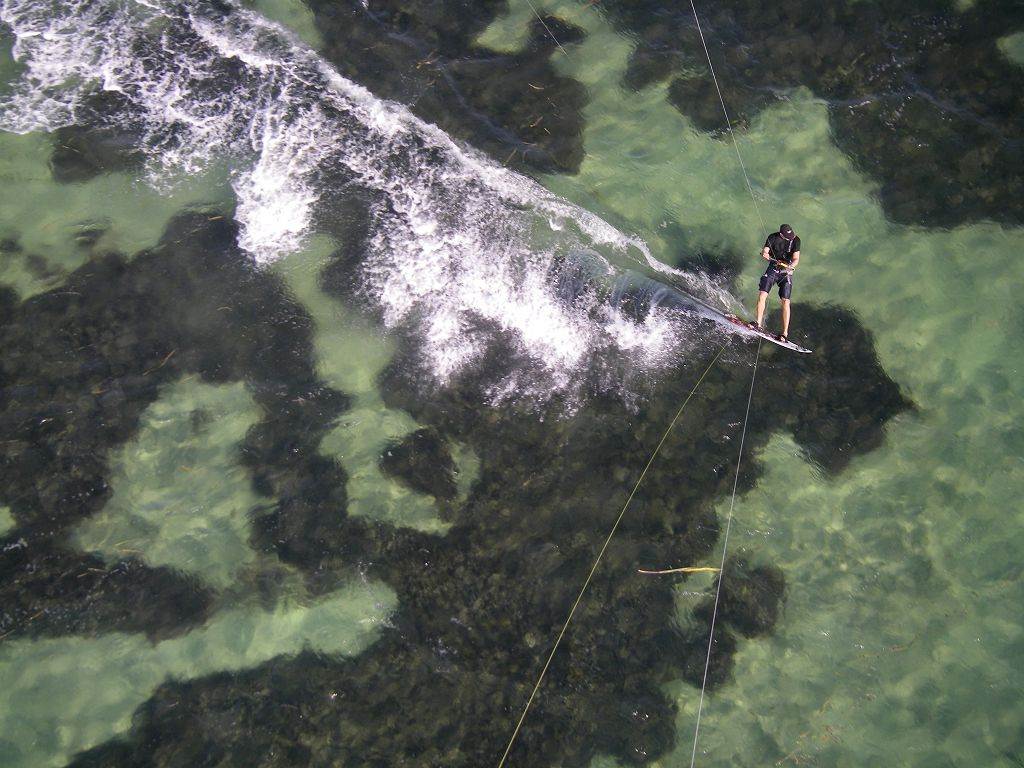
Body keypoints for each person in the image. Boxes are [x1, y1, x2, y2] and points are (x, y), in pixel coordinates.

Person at [750, 224, 801, 342]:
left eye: (791, 235)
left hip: (786, 271)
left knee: (786, 301)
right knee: (762, 294)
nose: (791, 238)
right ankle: (758, 323)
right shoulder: (772, 237)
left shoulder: (796, 240)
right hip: (773, 268)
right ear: (781, 234)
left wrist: (790, 266)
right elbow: (765, 251)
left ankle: (784, 333)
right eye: (788, 236)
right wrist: (765, 254)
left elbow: (796, 259)